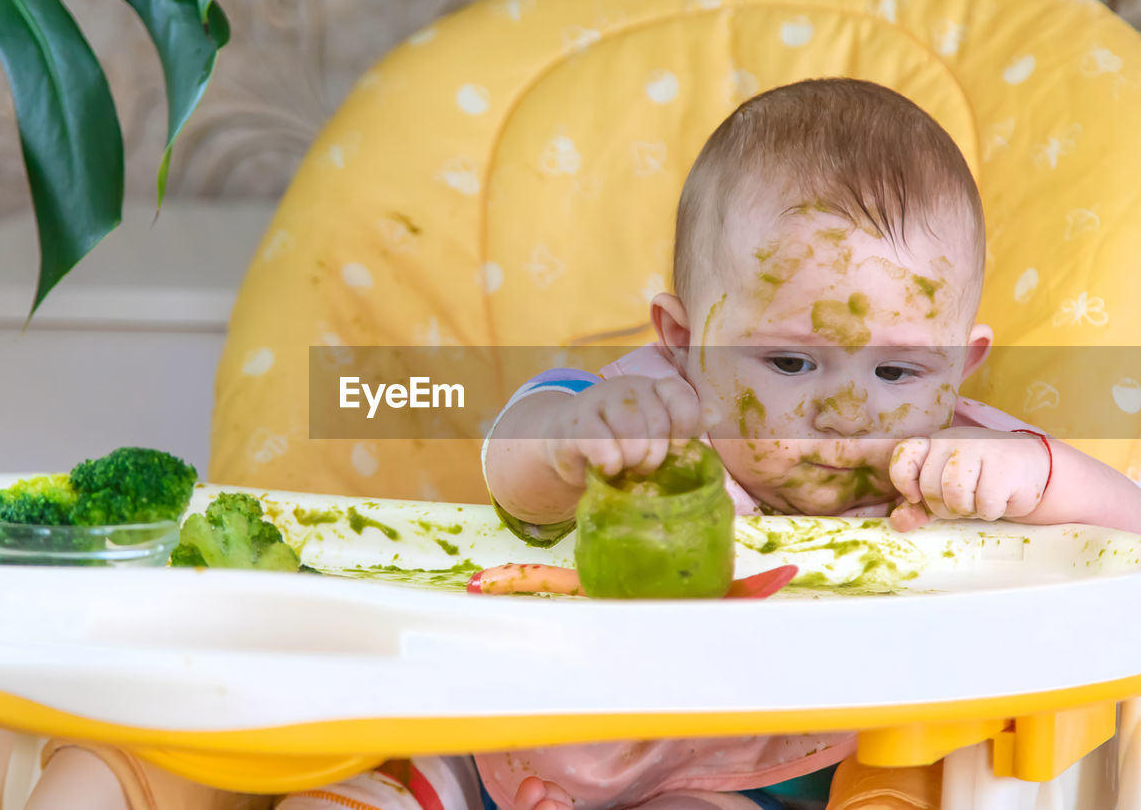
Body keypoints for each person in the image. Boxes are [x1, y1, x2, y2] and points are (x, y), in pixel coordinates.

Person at [476, 77, 1141, 810]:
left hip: (815, 776)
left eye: (896, 370)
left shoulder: (960, 459)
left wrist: (1045, 481)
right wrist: (567, 443)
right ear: (684, 342)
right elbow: (515, 483)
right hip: (603, 735)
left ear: (958, 366)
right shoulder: (650, 419)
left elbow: (1127, 540)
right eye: (791, 363)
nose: (849, 412)